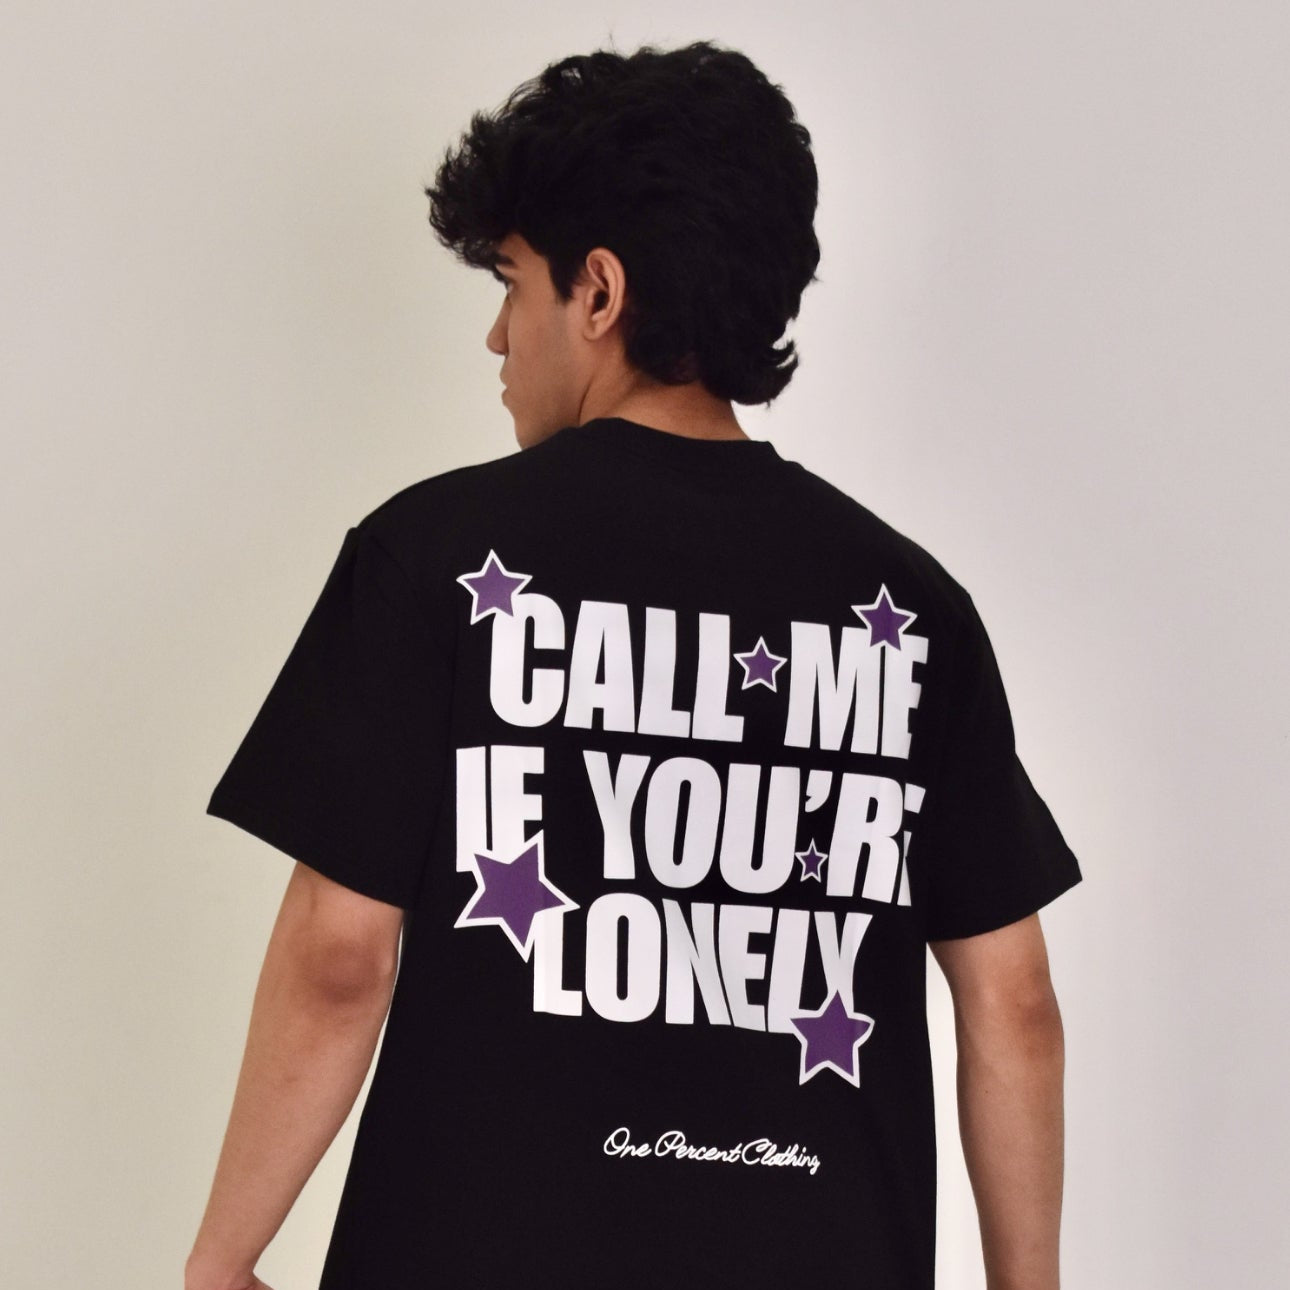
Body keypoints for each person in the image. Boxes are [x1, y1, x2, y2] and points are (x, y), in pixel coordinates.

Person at [185, 39, 1082, 1290]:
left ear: (598, 292)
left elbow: (340, 957)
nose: (497, 336)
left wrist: (222, 1259)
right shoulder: (914, 610)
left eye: (512, 284)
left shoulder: (428, 557)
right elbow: (1013, 998)